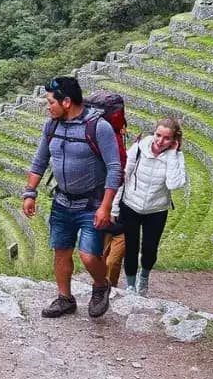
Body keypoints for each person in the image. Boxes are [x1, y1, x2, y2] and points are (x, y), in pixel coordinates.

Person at [22, 76, 122, 318]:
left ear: (66, 102)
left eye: (50, 102)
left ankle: (101, 286)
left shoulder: (98, 127)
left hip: (92, 204)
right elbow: (40, 161)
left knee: (88, 256)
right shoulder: (51, 126)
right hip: (62, 201)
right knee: (61, 252)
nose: (48, 107)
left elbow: (114, 168)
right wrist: (29, 193)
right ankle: (65, 298)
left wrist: (105, 207)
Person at [111, 118, 186, 297]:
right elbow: (123, 176)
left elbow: (174, 184)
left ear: (174, 140)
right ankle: (130, 286)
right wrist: (114, 207)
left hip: (156, 210)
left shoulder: (175, 156)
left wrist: (173, 155)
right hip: (130, 204)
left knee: (150, 249)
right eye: (158, 135)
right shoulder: (138, 148)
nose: (160, 141)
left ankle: (143, 278)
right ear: (154, 133)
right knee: (131, 246)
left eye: (166, 138)